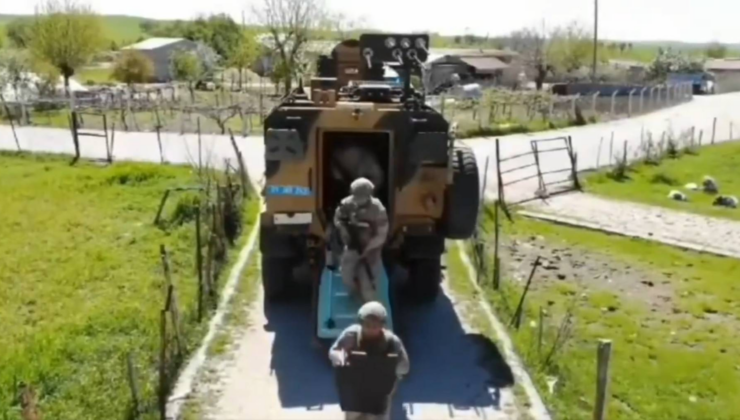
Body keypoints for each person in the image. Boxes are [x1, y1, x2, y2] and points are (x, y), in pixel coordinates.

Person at [329, 302, 409, 420]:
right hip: (355, 390)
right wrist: (340, 358)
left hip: (380, 393)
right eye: (367, 325)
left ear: (382, 325)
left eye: (375, 325)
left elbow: (405, 367)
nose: (371, 329)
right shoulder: (351, 335)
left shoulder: (392, 341)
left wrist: (391, 365)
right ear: (360, 322)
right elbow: (333, 351)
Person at [334, 178, 389, 303]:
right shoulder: (346, 204)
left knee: (370, 279)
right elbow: (337, 219)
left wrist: (368, 248)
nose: (358, 199)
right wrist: (343, 228)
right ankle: (353, 290)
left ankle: (369, 303)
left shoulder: (378, 208)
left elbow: (382, 234)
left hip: (371, 250)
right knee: (346, 275)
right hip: (352, 247)